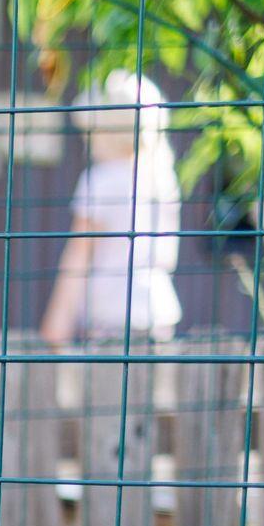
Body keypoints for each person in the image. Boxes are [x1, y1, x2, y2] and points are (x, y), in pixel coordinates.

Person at [39, 69, 183, 346]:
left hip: (112, 315)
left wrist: (57, 322)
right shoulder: (161, 177)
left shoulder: (100, 180)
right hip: (158, 311)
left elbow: (79, 254)